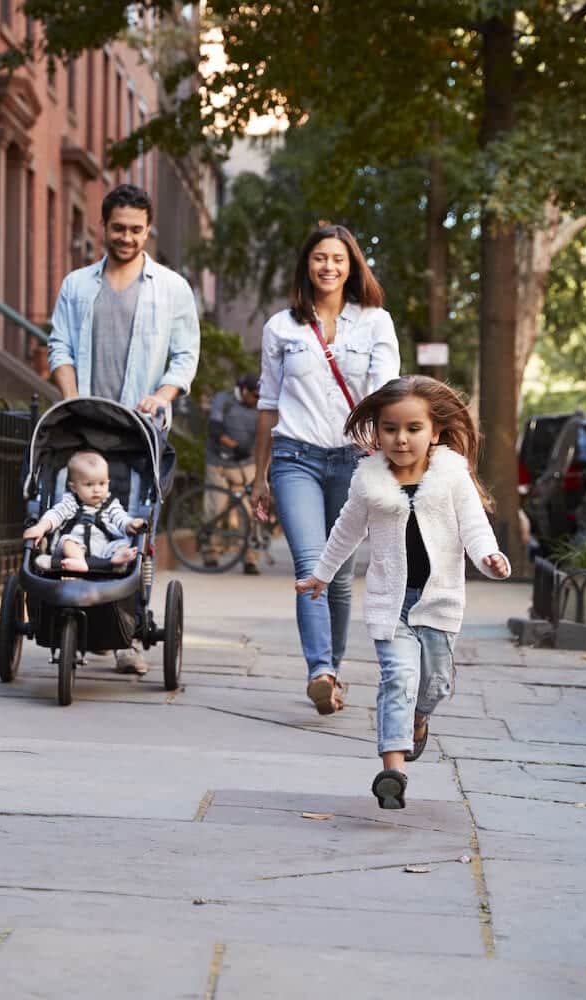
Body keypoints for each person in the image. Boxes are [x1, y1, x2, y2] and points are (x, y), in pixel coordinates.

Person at [295, 376, 510, 809]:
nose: (401, 439)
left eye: (413, 429)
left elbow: (473, 525)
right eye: (390, 428)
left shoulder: (451, 475)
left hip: (440, 602)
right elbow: (346, 530)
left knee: (434, 685)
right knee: (398, 678)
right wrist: (321, 574)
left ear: (435, 432)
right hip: (390, 605)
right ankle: (393, 771)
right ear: (377, 432)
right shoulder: (368, 480)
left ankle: (419, 718)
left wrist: (489, 556)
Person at [48, 182, 200, 674]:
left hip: (140, 430)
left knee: (134, 524)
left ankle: (126, 637)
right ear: (103, 226)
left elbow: (185, 356)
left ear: (148, 229)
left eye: (136, 229)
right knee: (74, 519)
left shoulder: (172, 288)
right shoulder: (77, 285)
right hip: (85, 426)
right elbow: (59, 347)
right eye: (118, 228)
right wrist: (71, 399)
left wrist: (163, 395)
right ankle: (74, 613)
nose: (127, 237)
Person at [251, 224, 400, 714]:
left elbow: (387, 396)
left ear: (351, 265)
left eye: (338, 258)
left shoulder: (375, 323)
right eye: (319, 257)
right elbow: (268, 404)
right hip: (294, 457)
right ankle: (319, 669)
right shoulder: (281, 327)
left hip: (354, 461)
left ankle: (331, 672)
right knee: (312, 564)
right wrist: (259, 475)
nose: (328, 266)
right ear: (307, 265)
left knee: (338, 574)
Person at [24, 450, 146, 573]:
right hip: (75, 548)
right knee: (67, 541)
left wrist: (130, 524)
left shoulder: (111, 504)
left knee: (123, 544)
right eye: (89, 485)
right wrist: (40, 527)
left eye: (102, 483)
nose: (97, 490)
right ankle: (79, 562)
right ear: (74, 487)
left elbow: (120, 518)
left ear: (108, 482)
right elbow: (54, 515)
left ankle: (117, 558)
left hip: (104, 549)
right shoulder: (70, 503)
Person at [204, 373, 262, 574]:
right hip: (219, 462)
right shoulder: (224, 399)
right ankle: (211, 553)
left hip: (246, 465)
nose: (258, 400)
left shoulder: (260, 406)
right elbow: (215, 430)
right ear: (244, 390)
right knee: (215, 509)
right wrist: (235, 446)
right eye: (255, 395)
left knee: (250, 511)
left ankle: (250, 558)